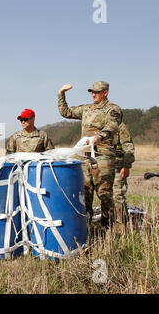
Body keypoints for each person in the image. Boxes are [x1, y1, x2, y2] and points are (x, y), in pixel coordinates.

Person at [57, 81, 123, 228]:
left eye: (97, 92)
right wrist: (61, 94)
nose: (94, 94)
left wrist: (100, 137)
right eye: (92, 92)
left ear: (105, 92)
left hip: (102, 157)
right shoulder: (86, 109)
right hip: (84, 157)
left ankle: (108, 227)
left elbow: (112, 125)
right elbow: (66, 112)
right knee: (85, 193)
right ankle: (85, 227)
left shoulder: (113, 109)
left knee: (104, 194)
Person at [113, 122, 135, 224]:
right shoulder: (94, 125)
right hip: (99, 168)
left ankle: (123, 224)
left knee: (118, 196)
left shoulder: (119, 126)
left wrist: (126, 166)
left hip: (117, 167)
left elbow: (127, 146)